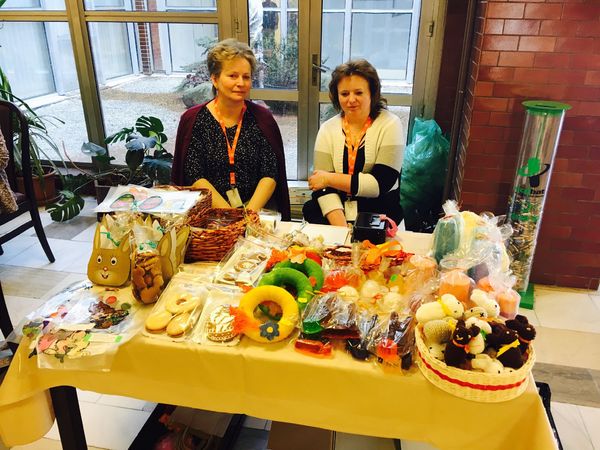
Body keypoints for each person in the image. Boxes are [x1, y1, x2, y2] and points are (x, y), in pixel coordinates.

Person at [171, 38, 290, 220]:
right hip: (209, 216)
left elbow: (270, 172)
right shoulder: (194, 120)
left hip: (256, 214)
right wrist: (230, 216)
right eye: (233, 76)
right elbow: (195, 175)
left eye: (246, 77)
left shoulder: (262, 119)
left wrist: (247, 216)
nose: (241, 83)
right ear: (215, 79)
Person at [303, 59, 404, 226]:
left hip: (379, 214)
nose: (351, 100)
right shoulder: (327, 129)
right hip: (337, 214)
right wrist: (342, 229)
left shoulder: (390, 124)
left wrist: (329, 178)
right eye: (344, 94)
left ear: (372, 93)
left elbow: (379, 184)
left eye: (358, 93)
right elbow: (322, 187)